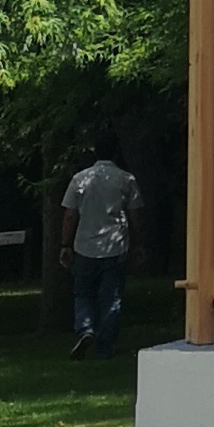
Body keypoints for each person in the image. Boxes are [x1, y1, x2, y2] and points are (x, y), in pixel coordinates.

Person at [60, 142, 142, 357]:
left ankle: (85, 329)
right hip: (115, 247)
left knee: (83, 294)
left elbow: (70, 215)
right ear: (116, 152)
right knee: (111, 298)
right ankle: (105, 348)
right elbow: (134, 216)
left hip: (85, 246)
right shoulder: (126, 179)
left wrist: (65, 244)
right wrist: (139, 243)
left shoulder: (80, 179)